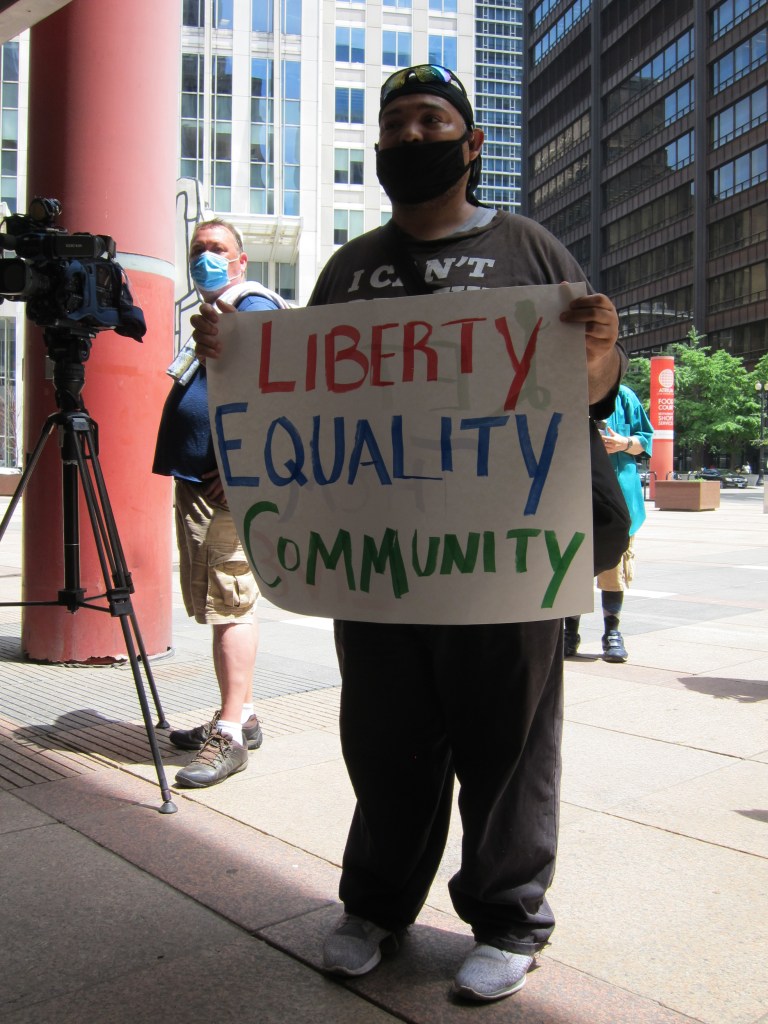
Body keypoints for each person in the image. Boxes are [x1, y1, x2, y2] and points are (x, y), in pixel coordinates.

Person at [192, 65, 626, 1002]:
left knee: (507, 743)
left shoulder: (532, 248)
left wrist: (598, 354)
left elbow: (584, 393)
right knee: (385, 738)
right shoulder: (349, 270)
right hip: (380, 561)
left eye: (432, 120)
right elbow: (301, 400)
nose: (410, 136)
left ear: (470, 144)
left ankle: (508, 915)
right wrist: (232, 368)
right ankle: (378, 904)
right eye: (395, 124)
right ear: (379, 147)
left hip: (505, 558)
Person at [153, 217, 287, 788]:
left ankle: (229, 733)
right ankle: (242, 712)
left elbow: (275, 389)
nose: (205, 258)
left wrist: (244, 469)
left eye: (217, 250)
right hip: (206, 479)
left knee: (231, 601)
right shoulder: (221, 310)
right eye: (197, 249)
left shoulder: (249, 308)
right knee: (218, 599)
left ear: (240, 262)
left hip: (227, 484)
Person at [564, 385, 653, 663]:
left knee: (613, 569)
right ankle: (570, 633)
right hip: (571, 495)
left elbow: (645, 440)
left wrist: (623, 443)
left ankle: (612, 633)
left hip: (616, 498)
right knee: (572, 568)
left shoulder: (623, 396)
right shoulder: (564, 388)